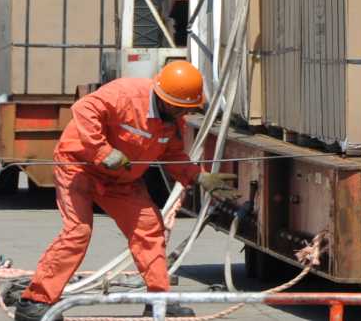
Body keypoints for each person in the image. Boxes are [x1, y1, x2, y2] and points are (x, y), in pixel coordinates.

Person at [14, 62, 236, 321]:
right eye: (180, 107)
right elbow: (83, 108)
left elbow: (173, 154)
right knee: (77, 232)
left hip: (121, 180)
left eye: (186, 109)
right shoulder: (126, 94)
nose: (182, 113)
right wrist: (102, 152)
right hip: (79, 167)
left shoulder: (172, 122)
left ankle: (158, 301)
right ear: (165, 98)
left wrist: (198, 176)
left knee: (149, 228)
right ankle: (35, 302)